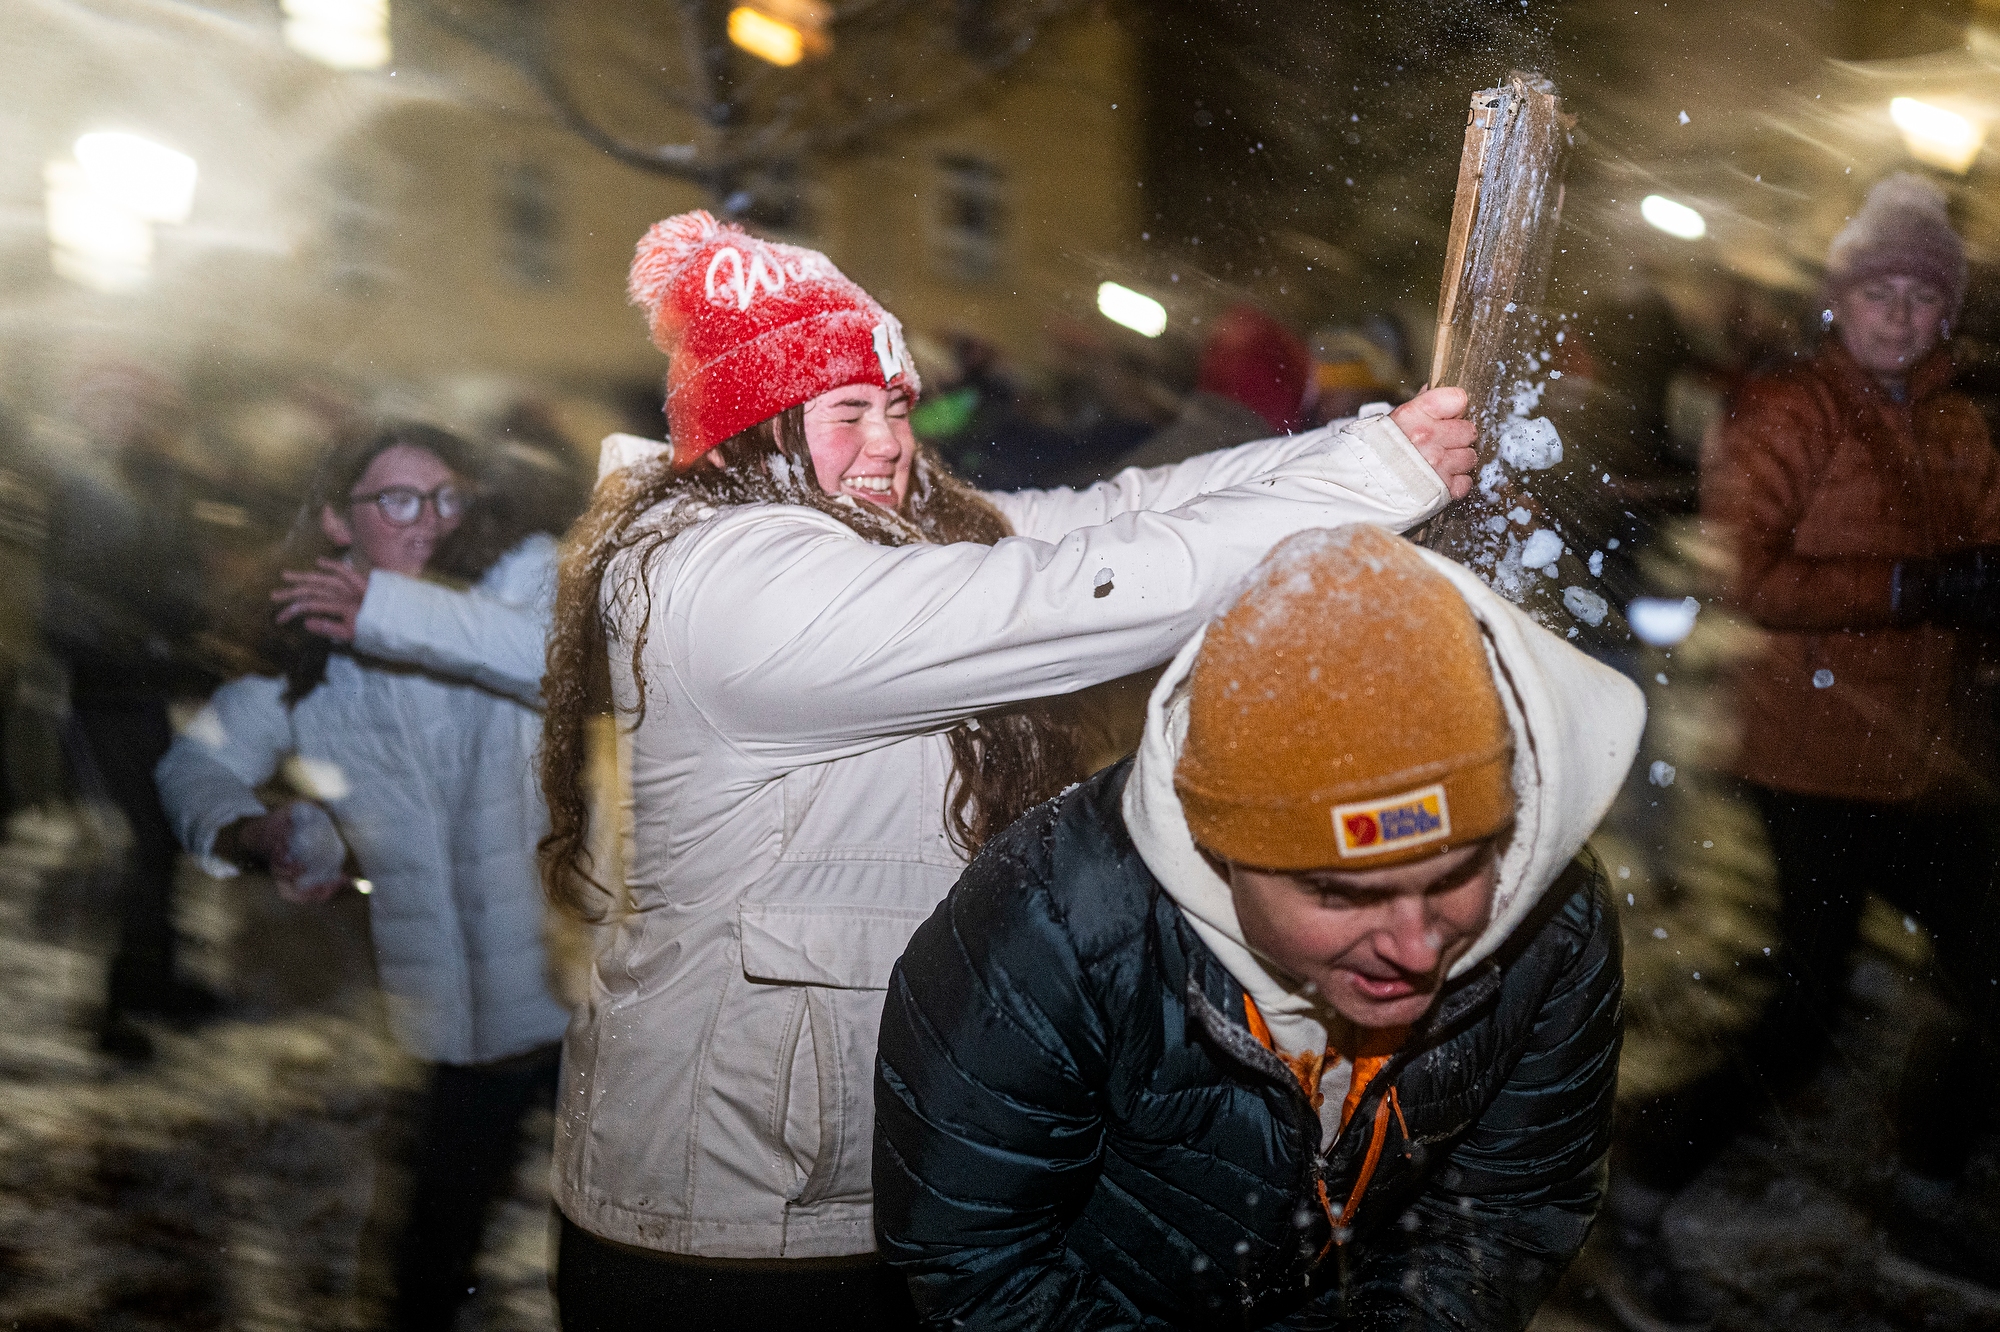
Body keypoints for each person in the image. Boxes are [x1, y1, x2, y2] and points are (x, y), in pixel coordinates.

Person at [537, 210, 1478, 1331]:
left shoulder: (853, 528)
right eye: (845, 413)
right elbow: (1057, 595)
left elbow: (1107, 515)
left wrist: (1357, 453)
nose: (888, 442)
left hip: (846, 1182)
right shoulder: (731, 583)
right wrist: (1371, 482)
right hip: (727, 1222)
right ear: (752, 429)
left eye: (894, 406)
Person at [873, 524, 1645, 1329]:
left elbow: (1506, 1204)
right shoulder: (1052, 929)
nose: (1415, 947)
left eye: (1454, 876)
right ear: (1221, 852)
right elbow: (982, 1262)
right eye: (1341, 895)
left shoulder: (1554, 920)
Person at [1615, 172, 2000, 1312]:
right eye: (1876, 294)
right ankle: (1648, 1171)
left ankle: (1926, 1182)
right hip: (1805, 758)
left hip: (1919, 760)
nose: (1896, 317)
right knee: (1805, 1006)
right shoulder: (1788, 411)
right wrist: (1912, 583)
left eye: (1918, 300)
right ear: (1843, 302)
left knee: (1989, 972)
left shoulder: (1955, 422)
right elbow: (1761, 579)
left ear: (1943, 312)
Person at [155, 422, 570, 1331]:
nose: (428, 520)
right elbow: (193, 768)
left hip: (594, 997)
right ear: (338, 524)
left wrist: (389, 609)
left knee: (617, 1252)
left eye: (445, 496)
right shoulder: (314, 662)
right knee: (427, 1260)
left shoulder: (521, 580)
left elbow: (557, 665)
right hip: (459, 1021)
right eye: (396, 500)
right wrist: (254, 829)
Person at [40, 367, 222, 1061]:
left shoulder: (160, 482)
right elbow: (75, 596)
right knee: (123, 847)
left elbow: (173, 576)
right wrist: (158, 639)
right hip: (95, 689)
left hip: (140, 688)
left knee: (160, 835)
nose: (142, 422)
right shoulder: (80, 485)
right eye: (122, 409)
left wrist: (188, 627)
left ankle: (150, 979)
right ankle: (110, 1006)